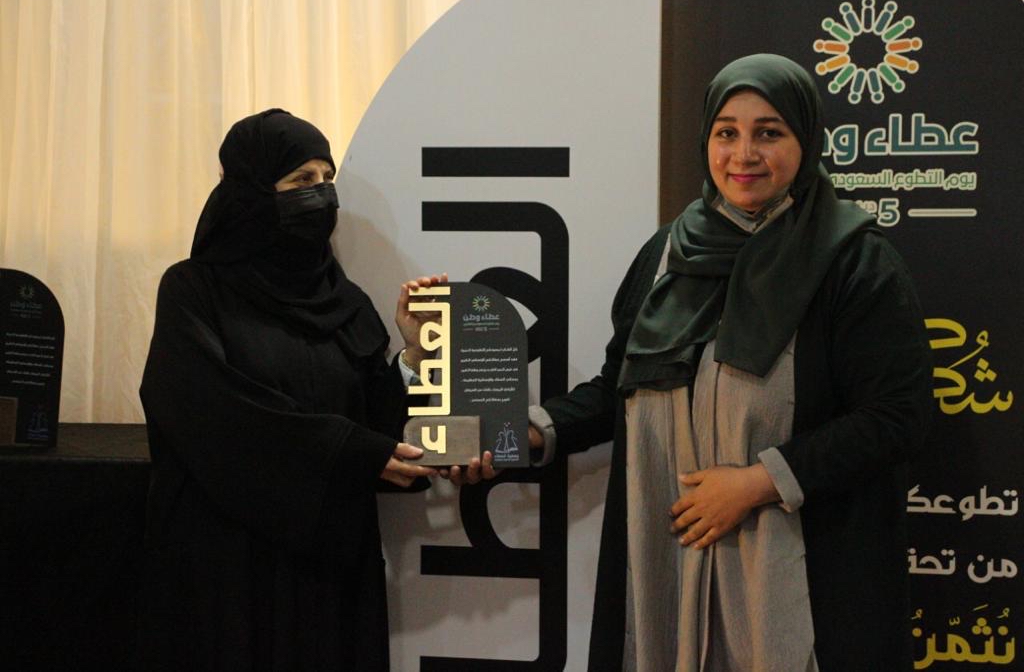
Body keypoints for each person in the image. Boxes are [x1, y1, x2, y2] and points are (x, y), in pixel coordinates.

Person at [528, 54, 932, 671]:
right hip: (665, 566)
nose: (744, 154)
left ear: (806, 141)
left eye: (769, 132)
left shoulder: (854, 262)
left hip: (797, 577)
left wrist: (755, 484)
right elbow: (620, 390)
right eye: (726, 132)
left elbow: (897, 417)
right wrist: (534, 431)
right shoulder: (665, 255)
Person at [136, 109, 491, 670]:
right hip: (230, 570)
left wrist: (414, 355)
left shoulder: (345, 302)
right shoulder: (195, 291)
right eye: (302, 180)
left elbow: (375, 425)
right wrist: (350, 451)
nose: (322, 195)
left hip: (331, 571)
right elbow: (214, 412)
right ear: (252, 190)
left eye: (328, 179)